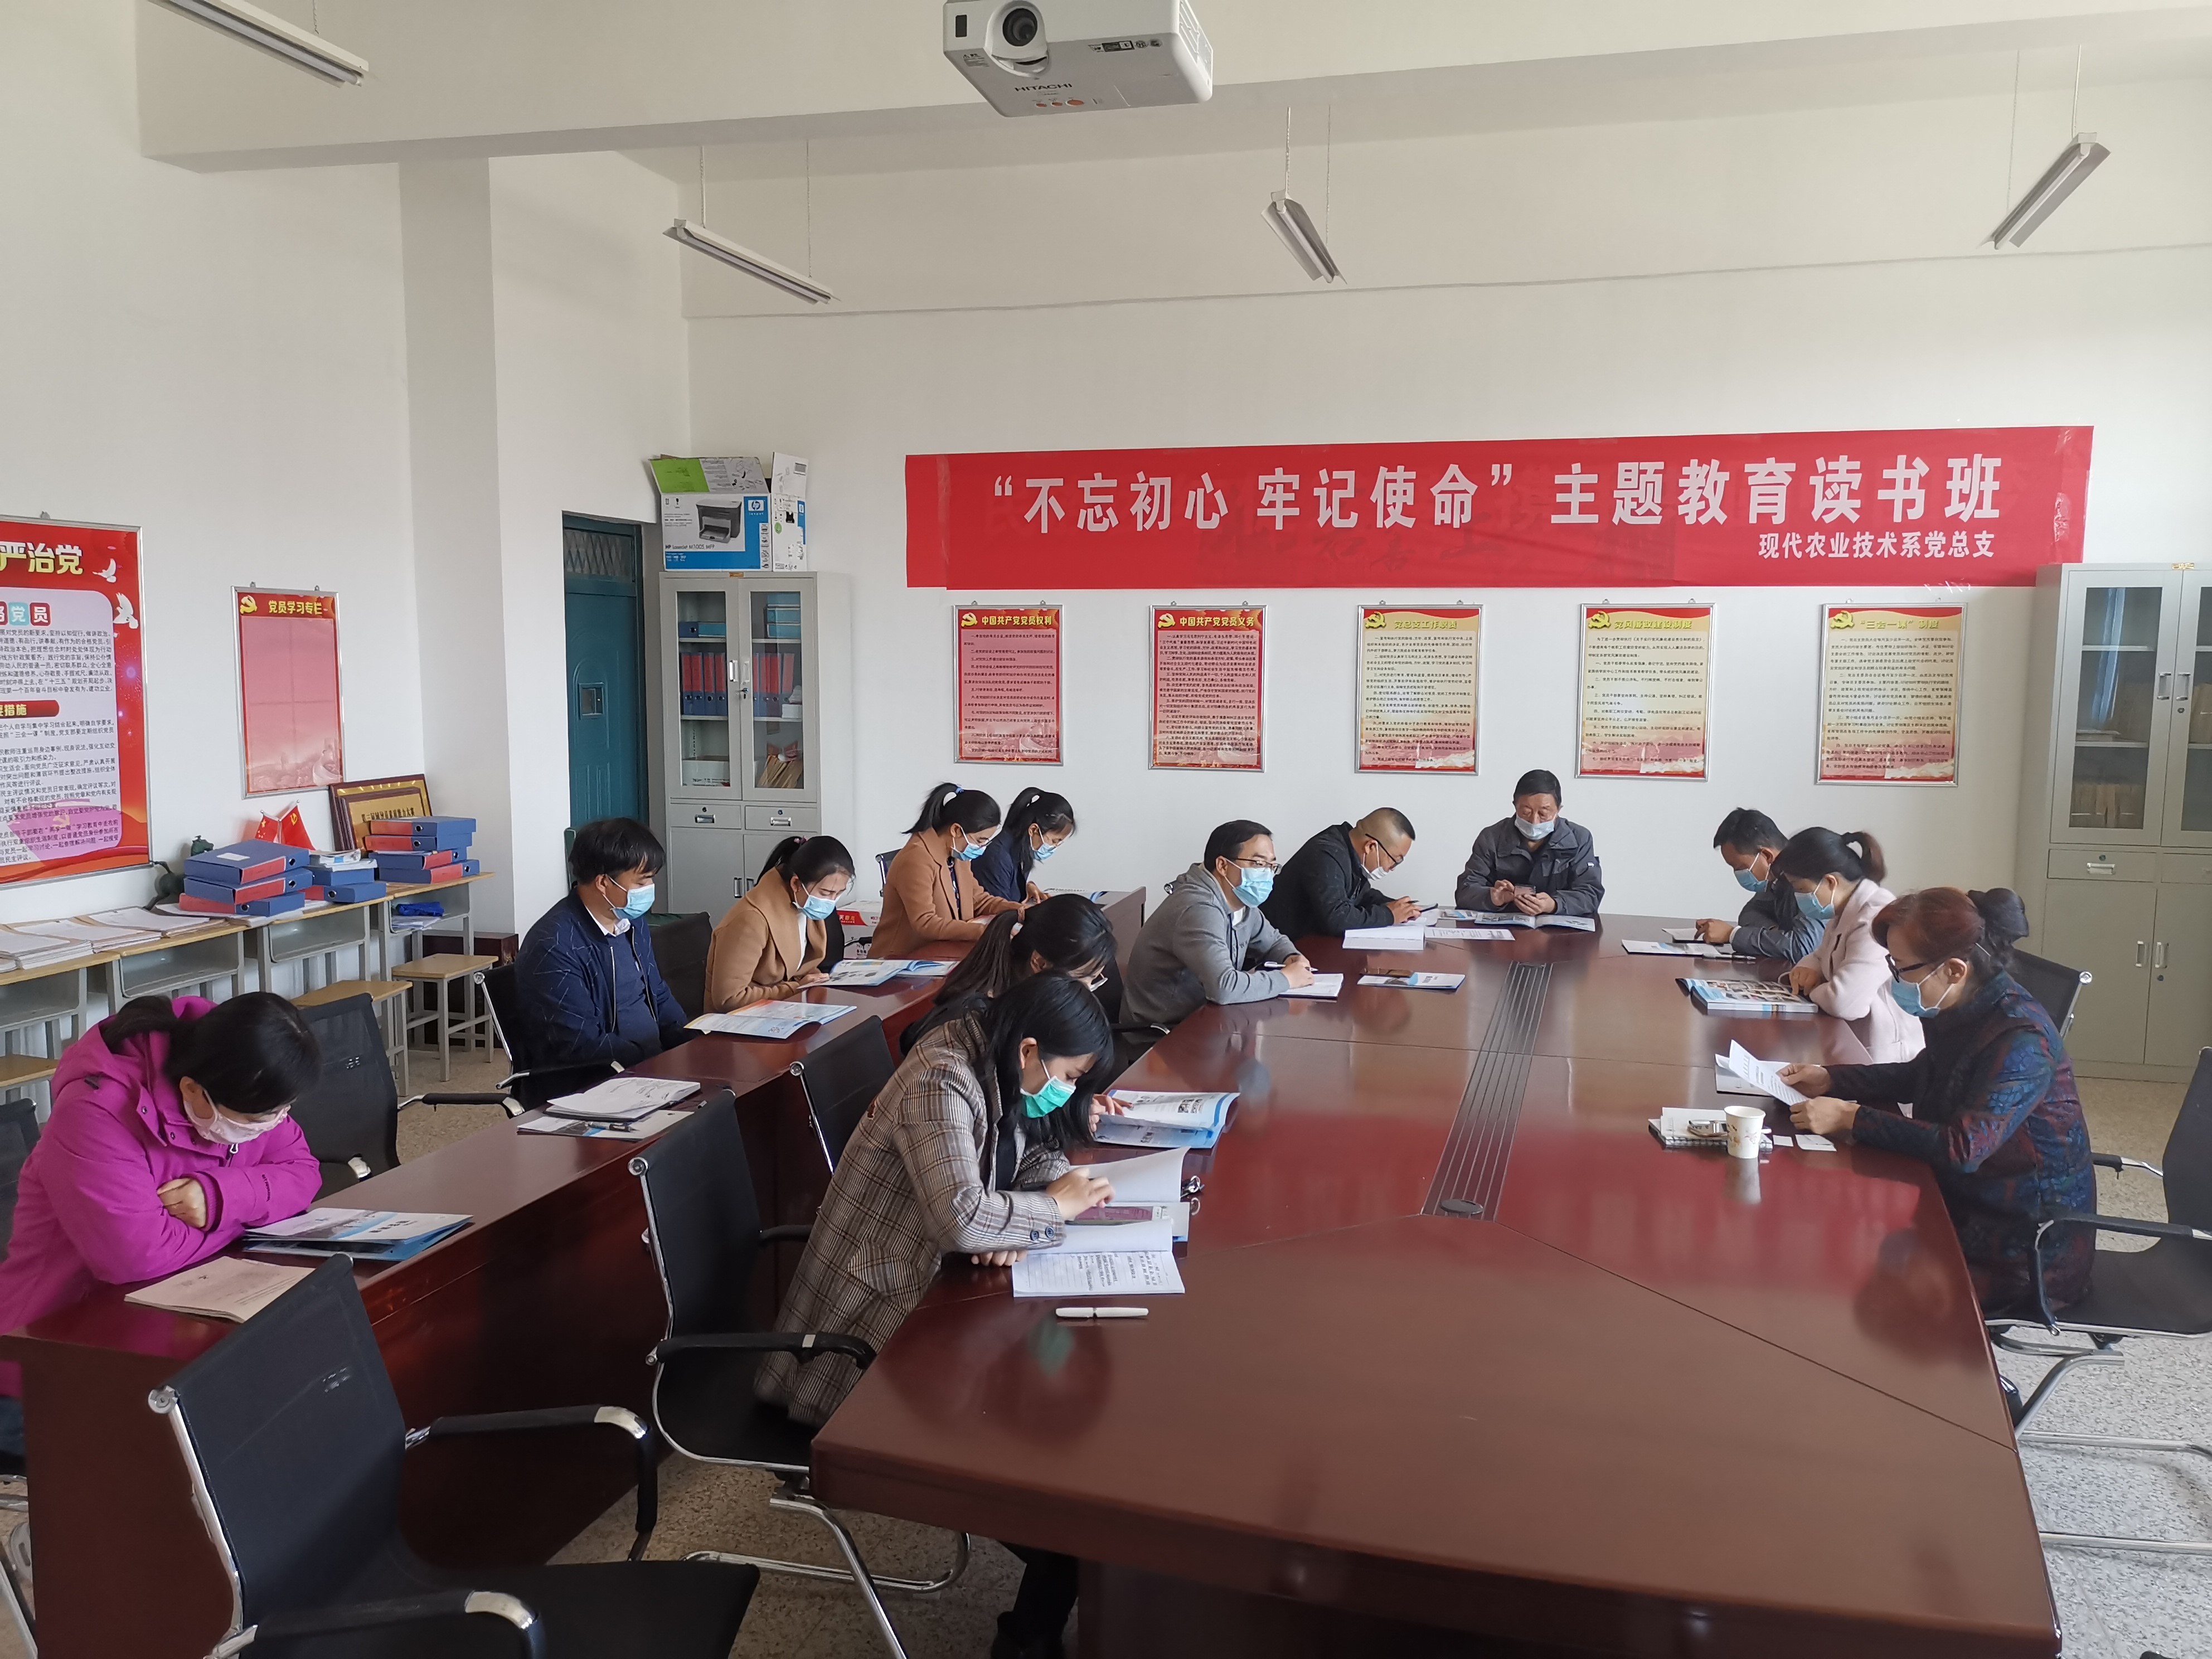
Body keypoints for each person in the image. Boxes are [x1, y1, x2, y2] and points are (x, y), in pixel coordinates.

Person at [755, 973, 1116, 1659]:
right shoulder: (942, 1077)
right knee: (1054, 1479)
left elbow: (1027, 1155)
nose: (1066, 1091)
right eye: (1067, 1077)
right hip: (859, 1334)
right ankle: (1036, 1623)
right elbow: (959, 1218)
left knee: (1055, 1423)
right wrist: (1048, 1210)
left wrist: (1034, 1201)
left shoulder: (998, 1061)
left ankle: (1040, 1613)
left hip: (926, 1294)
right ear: (1030, 1050)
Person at [0, 993, 323, 1459]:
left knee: (293, 1400)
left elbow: (304, 1172)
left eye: (283, 1112)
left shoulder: (244, 1081)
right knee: (209, 1455)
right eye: (259, 1119)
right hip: (50, 1362)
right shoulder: (94, 1112)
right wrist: (243, 1215)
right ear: (193, 1090)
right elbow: (137, 1258)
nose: (273, 1125)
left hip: (175, 1324)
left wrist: (219, 1198)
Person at [1781, 888, 2095, 1318]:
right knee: (1832, 1241)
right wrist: (1832, 1078)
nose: (1894, 980)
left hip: (2024, 1247)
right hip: (1965, 1203)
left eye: (1901, 968)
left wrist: (1854, 1119)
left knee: (1847, 1277)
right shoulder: (1965, 1005)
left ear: (1953, 970)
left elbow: (1963, 1148)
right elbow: (1921, 1074)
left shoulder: (2023, 1038)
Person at [1120, 821, 1314, 1055]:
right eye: (1258, 863)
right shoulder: (1198, 908)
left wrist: (1292, 957)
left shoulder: (1240, 900)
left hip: (1207, 1021)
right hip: (1161, 1039)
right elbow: (1224, 988)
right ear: (1223, 865)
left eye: (1271, 866)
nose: (1266, 874)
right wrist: (1286, 979)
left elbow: (1272, 940)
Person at [515, 816, 690, 1070]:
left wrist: (690, 1044)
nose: (650, 888)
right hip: (600, 1076)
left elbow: (658, 994)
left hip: (649, 1063)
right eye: (641, 882)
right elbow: (580, 1044)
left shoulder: (631, 921)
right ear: (603, 883)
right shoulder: (554, 946)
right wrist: (656, 1061)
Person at [1770, 826, 1920, 1065]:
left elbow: (1845, 1003)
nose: (1798, 898)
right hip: (1848, 1039)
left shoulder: (1874, 916)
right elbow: (1820, 956)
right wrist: (1807, 970)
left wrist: (1813, 987)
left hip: (1882, 1055)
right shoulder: (1844, 909)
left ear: (1830, 882)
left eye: (1801, 889)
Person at [900, 893, 1116, 1057]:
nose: (1088, 992)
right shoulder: (973, 1026)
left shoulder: (1026, 1002)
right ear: (1040, 963)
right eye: (1083, 979)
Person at [705, 835, 856, 1013]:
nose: (831, 901)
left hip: (783, 1011)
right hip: (739, 1020)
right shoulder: (750, 920)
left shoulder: (803, 903)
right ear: (796, 884)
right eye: (825, 893)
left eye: (839, 893)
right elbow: (729, 999)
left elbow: (799, 969)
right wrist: (796, 988)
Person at [872, 783, 1024, 958]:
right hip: (902, 960)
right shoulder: (916, 859)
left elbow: (979, 900)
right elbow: (926, 923)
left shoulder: (956, 854)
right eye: (980, 840)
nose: (982, 848)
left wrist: (1017, 909)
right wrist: (983, 932)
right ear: (956, 830)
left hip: (943, 950)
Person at [1454, 769, 1603, 916]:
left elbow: (1590, 893)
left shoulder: (1579, 838)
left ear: (1558, 809)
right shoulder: (1492, 837)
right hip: (1506, 926)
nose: (1534, 821)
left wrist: (1554, 904)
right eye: (1526, 812)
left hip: (1558, 928)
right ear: (1515, 806)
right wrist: (1493, 898)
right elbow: (1465, 891)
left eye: (1544, 813)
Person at [1263, 808, 1422, 940]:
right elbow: (1337, 919)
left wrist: (1397, 907)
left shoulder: (1349, 849)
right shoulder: (1326, 854)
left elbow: (1361, 896)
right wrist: (1389, 915)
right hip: (1279, 949)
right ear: (1371, 847)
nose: (1392, 868)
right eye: (1395, 861)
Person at [1692, 807, 1822, 961]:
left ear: (1767, 856)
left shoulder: (1810, 879)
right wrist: (1773, 932)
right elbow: (1749, 913)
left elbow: (1801, 947)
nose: (1738, 873)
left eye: (1740, 867)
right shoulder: (1776, 879)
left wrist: (1732, 935)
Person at [973, 788, 1075, 906]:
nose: (1054, 846)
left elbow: (1010, 888)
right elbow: (1001, 909)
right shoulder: (998, 857)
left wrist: (1027, 889)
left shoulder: (1021, 848)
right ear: (1034, 830)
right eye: (1054, 841)